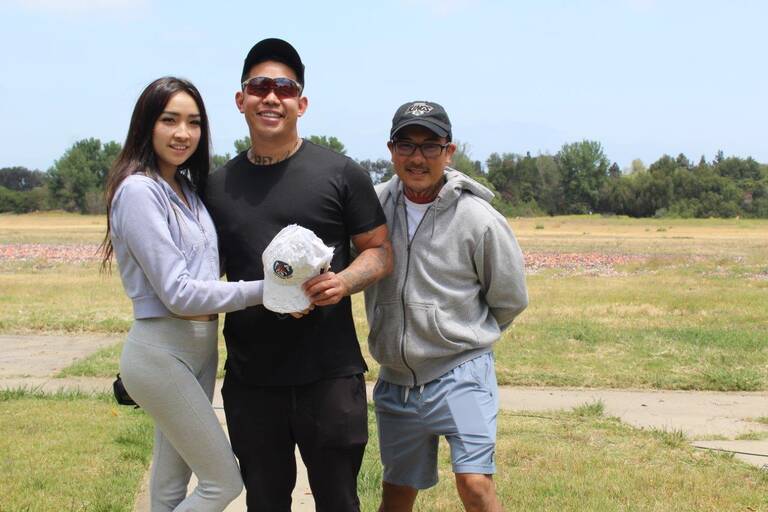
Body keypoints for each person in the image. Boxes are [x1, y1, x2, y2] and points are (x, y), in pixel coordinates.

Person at [204, 38, 392, 511]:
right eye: (259, 86)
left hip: (329, 375)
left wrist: (344, 282)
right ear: (241, 99)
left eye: (285, 88)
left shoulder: (341, 173)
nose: (272, 97)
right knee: (265, 502)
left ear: (301, 104)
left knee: (339, 502)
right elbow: (201, 279)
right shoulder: (217, 187)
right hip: (252, 378)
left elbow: (379, 251)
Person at [101, 77, 270, 511]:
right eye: (169, 120)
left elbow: (207, 268)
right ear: (147, 125)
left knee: (169, 488)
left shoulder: (187, 189)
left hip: (199, 349)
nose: (183, 133)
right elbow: (177, 293)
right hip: (162, 351)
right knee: (222, 482)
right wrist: (267, 291)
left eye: (193, 122)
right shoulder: (139, 191)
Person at [364, 101, 529, 512]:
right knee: (396, 493)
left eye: (430, 146)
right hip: (397, 383)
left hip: (461, 376)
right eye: (406, 144)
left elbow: (509, 299)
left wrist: (461, 334)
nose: (417, 157)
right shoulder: (372, 208)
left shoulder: (479, 219)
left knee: (475, 485)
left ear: (449, 151)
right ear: (391, 149)